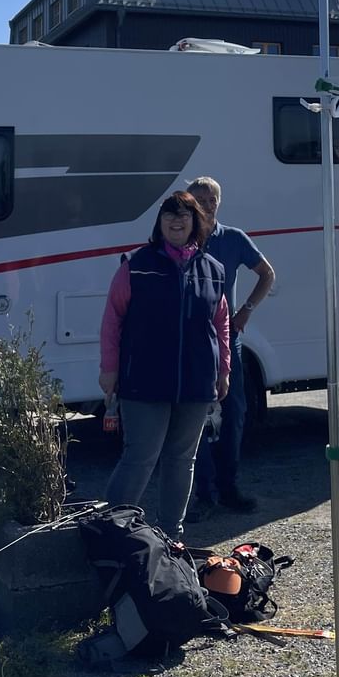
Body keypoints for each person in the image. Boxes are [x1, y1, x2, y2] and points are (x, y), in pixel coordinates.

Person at [97, 190, 230, 540]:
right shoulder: (136, 265)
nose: (176, 220)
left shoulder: (213, 270)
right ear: (159, 223)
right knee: (140, 456)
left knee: (182, 461)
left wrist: (224, 370)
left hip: (196, 383)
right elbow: (113, 319)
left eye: (184, 214)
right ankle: (111, 532)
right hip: (144, 381)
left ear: (195, 222)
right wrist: (109, 368)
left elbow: (221, 324)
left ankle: (171, 536)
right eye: (169, 214)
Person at [186, 175, 275, 517]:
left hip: (226, 338)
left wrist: (245, 311)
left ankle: (229, 487)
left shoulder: (234, 238)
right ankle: (203, 492)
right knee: (196, 415)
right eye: (200, 200)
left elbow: (267, 274)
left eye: (212, 200)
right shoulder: (183, 240)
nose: (207, 206)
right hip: (191, 341)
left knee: (235, 411)